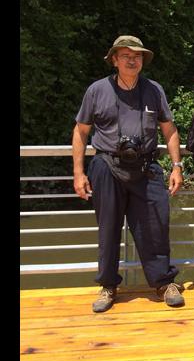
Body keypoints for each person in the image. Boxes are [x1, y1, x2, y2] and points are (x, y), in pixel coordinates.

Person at [72, 35, 184, 313]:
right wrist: (78, 173)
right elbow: (81, 131)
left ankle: (163, 283)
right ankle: (108, 285)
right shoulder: (97, 90)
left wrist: (177, 166)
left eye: (137, 56)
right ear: (114, 60)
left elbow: (169, 130)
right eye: (126, 56)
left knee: (155, 226)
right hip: (107, 166)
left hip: (146, 167)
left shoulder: (154, 90)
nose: (132, 60)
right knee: (108, 228)